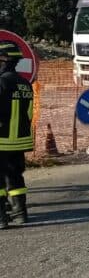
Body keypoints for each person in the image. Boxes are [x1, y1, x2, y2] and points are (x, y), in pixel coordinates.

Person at [0, 41, 34, 229]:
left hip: (1, 140)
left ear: (3, 60)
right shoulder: (25, 84)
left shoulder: (2, 82)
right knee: (16, 178)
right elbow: (29, 113)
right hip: (19, 141)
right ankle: (21, 214)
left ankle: (1, 218)